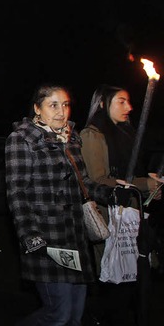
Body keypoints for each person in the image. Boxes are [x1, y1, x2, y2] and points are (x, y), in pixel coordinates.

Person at [6, 84, 115, 326]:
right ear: (37, 109)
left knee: (75, 317)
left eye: (65, 104)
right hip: (47, 240)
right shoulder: (22, 139)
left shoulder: (71, 137)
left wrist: (112, 194)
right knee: (58, 314)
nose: (61, 111)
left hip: (75, 238)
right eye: (53, 105)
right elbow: (17, 193)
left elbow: (83, 182)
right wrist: (30, 235)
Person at [80, 84, 162, 325]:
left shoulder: (124, 135)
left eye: (129, 101)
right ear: (103, 104)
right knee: (116, 284)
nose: (130, 107)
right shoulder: (93, 135)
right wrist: (143, 184)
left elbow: (128, 178)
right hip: (109, 218)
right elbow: (98, 181)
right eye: (122, 101)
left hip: (131, 216)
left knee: (136, 280)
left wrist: (149, 186)